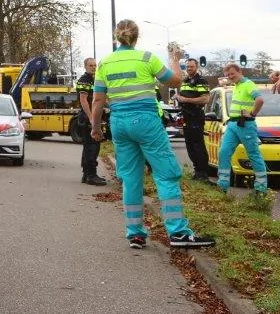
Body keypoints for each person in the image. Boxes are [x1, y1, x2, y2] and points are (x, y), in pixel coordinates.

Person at [89, 20, 214, 249]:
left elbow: (97, 100)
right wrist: (175, 60)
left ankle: (135, 233)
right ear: (137, 37)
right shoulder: (147, 58)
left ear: (117, 37)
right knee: (166, 174)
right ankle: (178, 233)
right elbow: (176, 80)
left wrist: (96, 128)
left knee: (130, 178)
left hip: (119, 124)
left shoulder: (104, 63)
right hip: (146, 121)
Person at [217, 61, 272, 200]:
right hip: (233, 124)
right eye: (228, 75)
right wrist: (225, 82)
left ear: (240, 72)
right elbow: (227, 82)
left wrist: (253, 114)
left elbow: (259, 100)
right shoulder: (237, 85)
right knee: (224, 152)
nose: (230, 76)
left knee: (253, 154)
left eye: (232, 74)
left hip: (246, 124)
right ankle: (222, 185)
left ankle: (261, 188)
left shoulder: (248, 84)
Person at [175, 57, 214, 182]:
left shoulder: (200, 81)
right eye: (187, 67)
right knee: (190, 146)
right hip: (186, 116)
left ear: (197, 67)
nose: (189, 69)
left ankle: (203, 174)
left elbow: (205, 99)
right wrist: (178, 97)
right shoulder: (185, 81)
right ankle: (197, 172)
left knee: (198, 146)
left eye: (191, 66)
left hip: (196, 116)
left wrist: (184, 100)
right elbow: (183, 97)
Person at [76, 58, 107, 185]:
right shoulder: (85, 80)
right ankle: (91, 175)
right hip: (87, 117)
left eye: (95, 65)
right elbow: (83, 100)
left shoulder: (94, 79)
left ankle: (86, 174)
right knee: (92, 146)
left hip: (91, 117)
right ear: (85, 66)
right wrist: (91, 117)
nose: (93, 67)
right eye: (90, 65)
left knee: (89, 146)